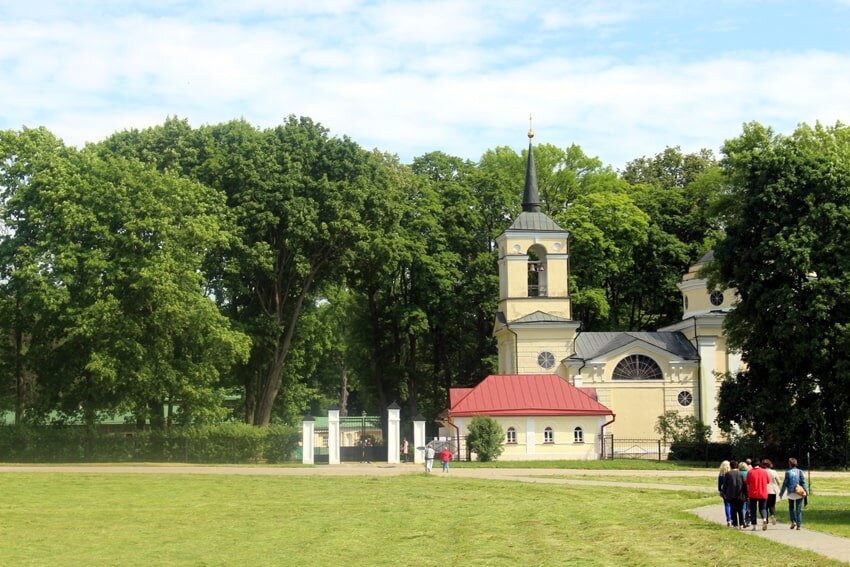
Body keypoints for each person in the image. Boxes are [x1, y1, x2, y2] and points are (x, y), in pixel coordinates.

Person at [779, 457, 809, 530]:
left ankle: (793, 521)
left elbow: (785, 483)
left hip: (791, 492)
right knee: (798, 509)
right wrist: (807, 491)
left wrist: (781, 493)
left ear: (790, 464)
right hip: (799, 492)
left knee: (791, 508)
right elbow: (803, 482)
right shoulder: (800, 471)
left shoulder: (788, 472)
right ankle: (799, 525)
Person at [745, 459, 770, 530]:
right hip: (763, 493)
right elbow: (768, 481)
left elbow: (747, 482)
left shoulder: (750, 472)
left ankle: (754, 525)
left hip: (753, 494)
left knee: (753, 509)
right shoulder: (764, 472)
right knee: (763, 508)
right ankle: (764, 519)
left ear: (752, 465)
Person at [723, 459, 747, 529]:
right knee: (740, 510)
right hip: (741, 494)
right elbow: (745, 485)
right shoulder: (741, 474)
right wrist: (746, 494)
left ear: (730, 466)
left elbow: (725, 485)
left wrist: (724, 493)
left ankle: (735, 524)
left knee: (733, 510)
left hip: (731, 495)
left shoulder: (728, 474)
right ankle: (741, 524)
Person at [763, 458, 781, 525]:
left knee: (765, 506)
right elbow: (779, 481)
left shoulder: (762, 471)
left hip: (764, 490)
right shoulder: (774, 472)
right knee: (772, 505)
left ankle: (766, 519)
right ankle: (773, 515)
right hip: (772, 490)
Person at [717, 460, 733, 527]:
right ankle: (732, 519)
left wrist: (720, 491)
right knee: (732, 505)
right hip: (731, 491)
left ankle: (728, 520)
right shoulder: (731, 473)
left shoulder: (721, 475)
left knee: (727, 505)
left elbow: (719, 485)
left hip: (724, 491)